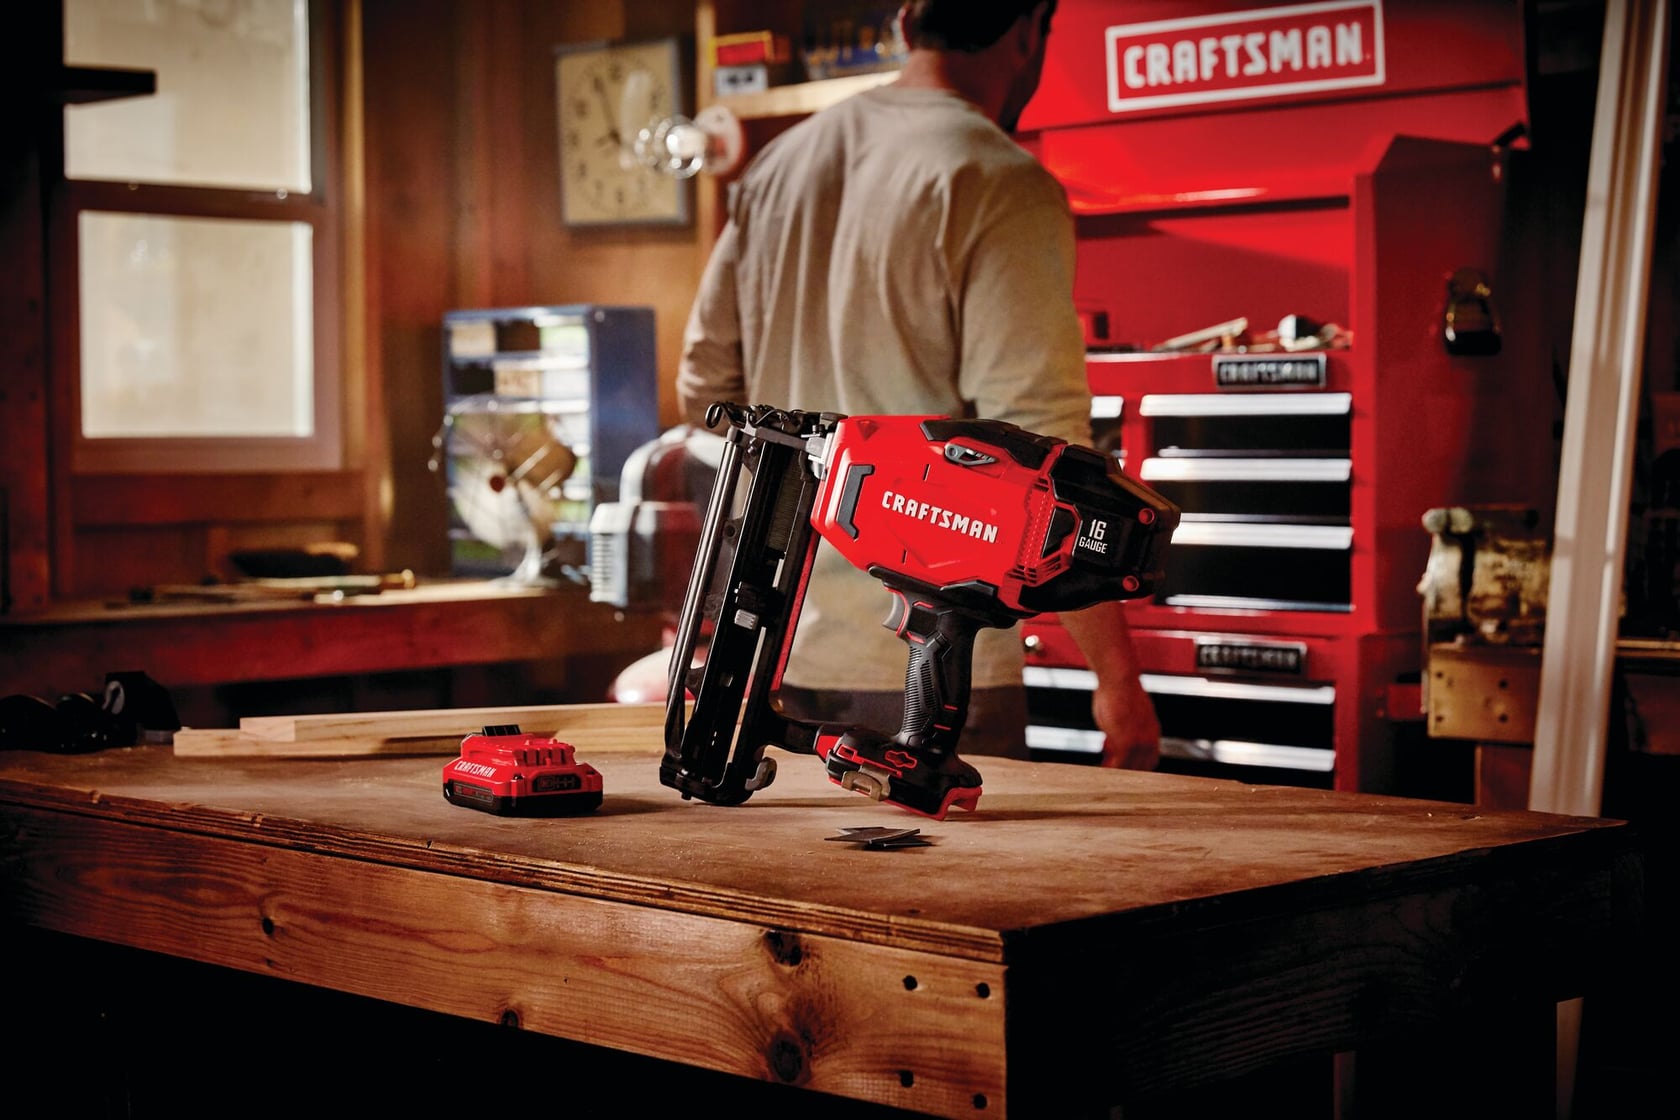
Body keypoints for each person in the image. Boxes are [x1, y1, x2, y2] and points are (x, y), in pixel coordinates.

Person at [676, 0, 1161, 768]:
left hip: (776, 644)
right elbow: (1047, 454)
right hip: (933, 666)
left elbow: (706, 390)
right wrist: (1118, 682)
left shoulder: (779, 168)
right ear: (1031, 29)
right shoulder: (997, 179)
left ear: (904, 25)